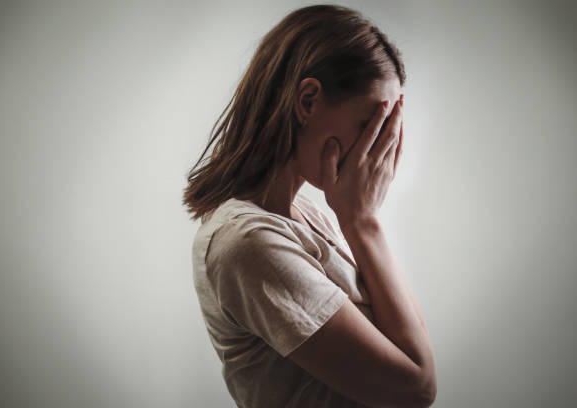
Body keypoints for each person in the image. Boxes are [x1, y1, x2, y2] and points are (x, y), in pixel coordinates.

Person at [183, 4, 436, 407]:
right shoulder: (248, 242)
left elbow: (412, 339)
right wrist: (363, 221)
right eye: (368, 125)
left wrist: (360, 220)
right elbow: (415, 388)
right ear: (307, 101)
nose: (377, 148)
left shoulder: (310, 214)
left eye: (386, 130)